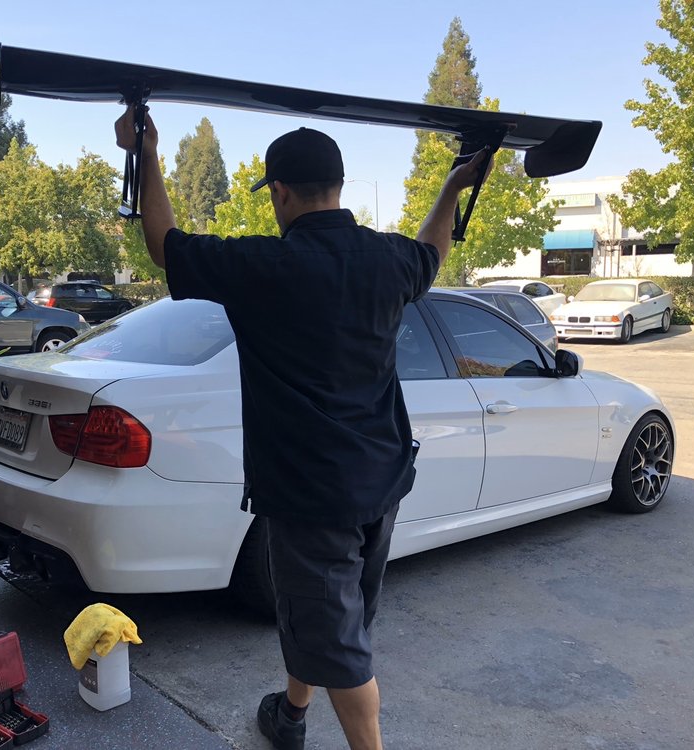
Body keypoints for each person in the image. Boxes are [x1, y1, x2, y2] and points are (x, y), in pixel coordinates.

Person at [115, 107, 490, 750]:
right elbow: (434, 250)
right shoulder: (388, 259)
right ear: (338, 187)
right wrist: (453, 186)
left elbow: (164, 245)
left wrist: (146, 154)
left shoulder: (262, 265)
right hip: (381, 482)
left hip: (310, 495)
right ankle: (290, 714)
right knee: (333, 618)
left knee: (339, 643)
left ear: (281, 193)